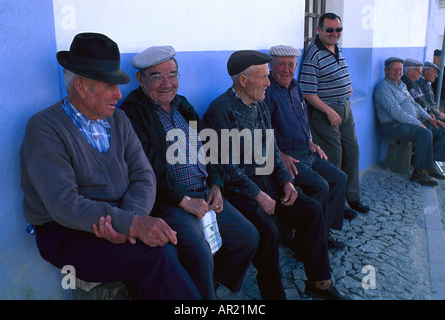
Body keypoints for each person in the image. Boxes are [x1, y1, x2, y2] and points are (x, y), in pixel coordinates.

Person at [20, 33, 201, 300]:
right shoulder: (45, 128)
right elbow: (64, 204)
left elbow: (144, 177)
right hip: (68, 233)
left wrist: (129, 222)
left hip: (120, 218)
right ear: (81, 86)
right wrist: (131, 225)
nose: (118, 94)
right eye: (109, 85)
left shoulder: (119, 120)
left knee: (170, 245)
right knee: (157, 255)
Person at [202, 50, 351, 300]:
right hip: (239, 189)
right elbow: (224, 166)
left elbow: (271, 149)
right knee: (267, 233)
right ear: (243, 80)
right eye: (263, 77)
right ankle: (274, 294)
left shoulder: (259, 103)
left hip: (267, 180)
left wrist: (287, 181)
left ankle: (319, 281)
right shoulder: (221, 110)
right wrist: (258, 195)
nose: (269, 83)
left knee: (312, 211)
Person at [119, 46, 258, 300]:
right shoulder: (132, 112)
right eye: (156, 76)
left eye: (172, 75)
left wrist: (216, 185)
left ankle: (207, 285)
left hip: (204, 191)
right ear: (140, 80)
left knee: (248, 237)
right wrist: (184, 201)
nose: (167, 84)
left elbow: (210, 145)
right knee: (198, 249)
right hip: (171, 201)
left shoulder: (182, 104)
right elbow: (146, 168)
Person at [264, 44, 352, 250]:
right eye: (281, 65)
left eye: (291, 65)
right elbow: (263, 130)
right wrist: (280, 155)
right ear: (271, 65)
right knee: (320, 186)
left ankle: (324, 232)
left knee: (339, 178)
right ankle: (308, 241)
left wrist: (311, 141)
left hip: (306, 150)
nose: (286, 70)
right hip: (288, 156)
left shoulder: (296, 86)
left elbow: (302, 120)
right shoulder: (267, 91)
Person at [299, 12, 369, 214]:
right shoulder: (314, 54)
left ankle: (352, 196)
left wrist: (347, 89)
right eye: (329, 30)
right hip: (326, 112)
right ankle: (339, 206)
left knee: (352, 152)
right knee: (334, 158)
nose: (334, 33)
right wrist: (329, 110)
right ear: (319, 30)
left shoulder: (336, 48)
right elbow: (308, 92)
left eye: (338, 29)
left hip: (345, 108)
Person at [373, 57, 445, 186]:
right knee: (425, 133)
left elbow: (415, 105)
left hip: (409, 122)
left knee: (441, 129)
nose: (398, 72)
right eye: (395, 69)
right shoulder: (383, 88)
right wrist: (419, 124)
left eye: (400, 69)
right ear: (385, 70)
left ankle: (430, 165)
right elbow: (396, 113)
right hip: (393, 125)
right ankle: (419, 173)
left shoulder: (401, 85)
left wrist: (429, 118)